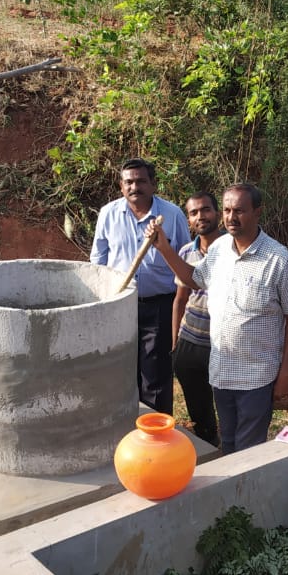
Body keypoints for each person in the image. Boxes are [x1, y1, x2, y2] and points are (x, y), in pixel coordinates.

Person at [146, 182, 288, 454]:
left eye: (239, 211)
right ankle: (236, 494)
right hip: (222, 373)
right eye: (226, 210)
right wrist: (164, 249)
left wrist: (285, 375)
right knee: (230, 445)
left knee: (248, 452)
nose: (231, 218)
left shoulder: (279, 260)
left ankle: (247, 496)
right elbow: (194, 280)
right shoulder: (220, 248)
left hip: (256, 378)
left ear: (257, 212)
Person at [90, 158, 190, 414]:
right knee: (121, 366)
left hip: (159, 305)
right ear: (121, 186)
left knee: (155, 373)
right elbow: (98, 260)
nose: (135, 187)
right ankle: (126, 426)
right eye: (129, 182)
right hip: (119, 305)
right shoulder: (108, 214)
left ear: (153, 184)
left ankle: (156, 434)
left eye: (141, 181)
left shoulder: (171, 215)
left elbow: (186, 259)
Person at [171, 191, 224, 446]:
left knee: (226, 403)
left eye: (205, 210)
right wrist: (175, 342)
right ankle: (209, 444)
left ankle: (233, 449)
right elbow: (180, 299)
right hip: (191, 340)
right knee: (198, 406)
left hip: (223, 344)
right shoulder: (184, 252)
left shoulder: (233, 250)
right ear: (189, 220)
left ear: (218, 214)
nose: (200, 216)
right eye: (194, 213)